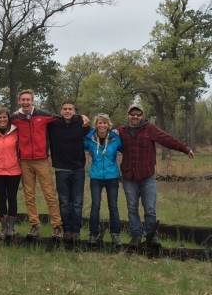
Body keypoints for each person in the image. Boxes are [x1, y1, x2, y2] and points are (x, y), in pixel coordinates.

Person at [118, 103, 193, 247]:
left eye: (138, 114)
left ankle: (151, 237)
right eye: (132, 114)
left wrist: (184, 149)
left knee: (150, 209)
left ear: (142, 115)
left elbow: (167, 139)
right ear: (127, 115)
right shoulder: (121, 130)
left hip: (147, 177)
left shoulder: (149, 129)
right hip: (129, 177)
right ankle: (135, 237)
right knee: (132, 208)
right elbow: (103, 135)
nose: (135, 116)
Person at [10, 89, 64, 240]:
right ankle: (34, 225)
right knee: (29, 195)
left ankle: (57, 226)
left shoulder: (43, 115)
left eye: (28, 99)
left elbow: (64, 118)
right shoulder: (14, 118)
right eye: (23, 100)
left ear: (32, 101)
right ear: (19, 101)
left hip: (42, 160)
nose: (26, 102)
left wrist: (82, 118)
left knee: (49, 193)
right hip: (25, 161)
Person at [47, 100, 91, 242]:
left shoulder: (81, 123)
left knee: (77, 203)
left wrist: (84, 117)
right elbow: (38, 117)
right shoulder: (53, 123)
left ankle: (76, 231)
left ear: (74, 111)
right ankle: (66, 230)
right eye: (64, 109)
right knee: (64, 202)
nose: (67, 111)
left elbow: (97, 130)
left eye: (70, 109)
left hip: (78, 169)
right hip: (61, 169)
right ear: (60, 111)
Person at [83, 114, 123, 247]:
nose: (102, 125)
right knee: (95, 205)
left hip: (112, 176)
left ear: (108, 125)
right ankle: (93, 233)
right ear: (96, 124)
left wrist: (120, 131)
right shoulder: (89, 138)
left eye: (105, 123)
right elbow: (78, 147)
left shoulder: (115, 137)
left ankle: (115, 234)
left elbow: (125, 149)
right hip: (96, 176)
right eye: (100, 123)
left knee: (113, 206)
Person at [0, 108, 21, 240]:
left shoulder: (15, 130)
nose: (2, 120)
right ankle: (4, 228)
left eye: (4, 117)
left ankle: (11, 228)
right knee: (1, 198)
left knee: (12, 197)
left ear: (8, 118)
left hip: (14, 170)